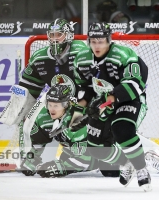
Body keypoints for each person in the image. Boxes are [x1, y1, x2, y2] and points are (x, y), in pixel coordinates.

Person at [72, 22, 152, 192]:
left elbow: (136, 83)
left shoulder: (123, 54)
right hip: (102, 102)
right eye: (93, 41)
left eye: (101, 41)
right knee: (95, 148)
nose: (97, 46)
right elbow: (84, 87)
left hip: (129, 99)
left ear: (109, 40)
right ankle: (126, 162)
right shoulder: (82, 58)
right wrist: (79, 111)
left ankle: (141, 169)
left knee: (121, 129)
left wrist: (110, 98)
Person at [20, 84, 120, 178]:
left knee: (109, 169)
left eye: (56, 106)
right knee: (65, 159)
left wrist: (61, 167)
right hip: (74, 148)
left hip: (101, 148)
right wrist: (32, 158)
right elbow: (40, 140)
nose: (52, 110)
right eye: (50, 104)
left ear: (66, 105)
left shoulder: (77, 120)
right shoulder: (44, 116)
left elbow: (87, 159)